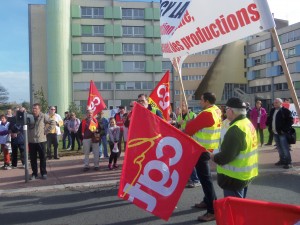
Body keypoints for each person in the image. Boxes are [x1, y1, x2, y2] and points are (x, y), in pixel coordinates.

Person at [185, 92, 222, 222]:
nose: (200, 102)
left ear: (206, 101)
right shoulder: (216, 110)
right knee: (205, 178)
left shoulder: (207, 113)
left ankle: (212, 210)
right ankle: (207, 201)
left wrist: (190, 123)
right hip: (208, 147)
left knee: (205, 180)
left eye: (201, 100)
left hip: (201, 149)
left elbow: (189, 130)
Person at [211, 97, 258, 198]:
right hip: (245, 174)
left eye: (226, 109)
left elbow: (225, 157)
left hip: (233, 178)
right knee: (239, 206)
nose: (224, 112)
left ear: (231, 111)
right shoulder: (247, 123)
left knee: (234, 210)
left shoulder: (236, 129)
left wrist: (213, 157)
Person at [177, 103, 201, 188]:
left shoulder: (192, 114)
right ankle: (189, 178)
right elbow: (178, 127)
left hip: (190, 140)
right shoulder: (179, 116)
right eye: (180, 105)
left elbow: (196, 125)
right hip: (183, 139)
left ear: (187, 106)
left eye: (183, 105)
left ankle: (196, 179)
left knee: (190, 161)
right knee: (184, 160)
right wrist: (178, 124)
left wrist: (187, 122)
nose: (181, 107)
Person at [28, 103, 53, 180]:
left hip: (41, 140)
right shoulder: (29, 116)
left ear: (39, 109)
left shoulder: (43, 116)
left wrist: (46, 131)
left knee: (42, 157)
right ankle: (34, 174)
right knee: (33, 158)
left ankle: (43, 173)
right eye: (33, 108)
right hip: (31, 141)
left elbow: (53, 122)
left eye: (35, 108)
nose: (34, 110)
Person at [268, 98, 293, 169]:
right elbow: (270, 119)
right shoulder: (272, 110)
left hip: (282, 133)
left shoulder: (285, 111)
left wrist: (284, 130)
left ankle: (289, 162)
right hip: (275, 132)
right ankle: (282, 160)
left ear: (281, 103)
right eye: (274, 102)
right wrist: (269, 126)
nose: (274, 104)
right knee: (279, 148)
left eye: (276, 102)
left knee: (285, 148)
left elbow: (290, 121)